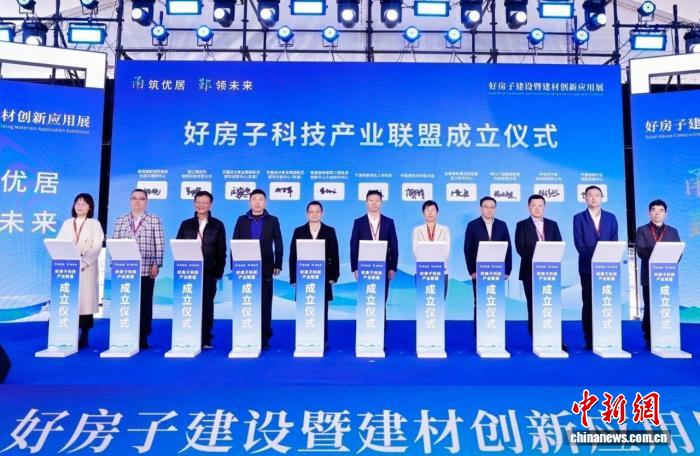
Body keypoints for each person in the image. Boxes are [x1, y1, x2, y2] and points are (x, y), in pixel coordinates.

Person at [113, 189, 164, 349]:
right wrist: (114, 263)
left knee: (145, 303)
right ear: (130, 201)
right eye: (134, 198)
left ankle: (143, 336)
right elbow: (114, 242)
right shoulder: (121, 220)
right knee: (126, 302)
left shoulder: (154, 220)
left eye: (141, 199)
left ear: (146, 202)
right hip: (124, 269)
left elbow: (159, 243)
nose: (137, 201)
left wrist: (157, 263)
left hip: (146, 268)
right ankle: (124, 333)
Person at [232, 189, 283, 350]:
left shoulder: (273, 220)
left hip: (266, 267)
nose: (257, 202)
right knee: (247, 302)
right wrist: (234, 265)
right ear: (250, 202)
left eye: (261, 199)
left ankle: (264, 337)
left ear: (265, 202)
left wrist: (278, 264)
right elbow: (235, 242)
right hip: (245, 268)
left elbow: (278, 243)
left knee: (265, 304)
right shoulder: (241, 220)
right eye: (254, 199)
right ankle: (245, 334)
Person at [176, 190, 227, 349]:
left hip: (209, 271)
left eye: (205, 202)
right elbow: (178, 246)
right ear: (194, 204)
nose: (201, 205)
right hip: (188, 271)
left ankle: (205, 338)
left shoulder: (218, 224)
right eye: (198, 202)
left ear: (210, 205)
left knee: (206, 305)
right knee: (188, 304)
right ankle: (187, 335)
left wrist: (218, 272)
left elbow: (222, 251)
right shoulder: (185, 224)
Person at [289, 201, 340, 348]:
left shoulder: (330, 231)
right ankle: (304, 339)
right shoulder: (299, 231)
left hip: (324, 277)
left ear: (322, 213)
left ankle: (322, 340)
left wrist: (334, 276)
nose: (314, 214)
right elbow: (293, 255)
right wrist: (293, 277)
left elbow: (335, 255)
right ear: (307, 214)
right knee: (305, 308)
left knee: (322, 309)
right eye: (311, 212)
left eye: (317, 211)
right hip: (304, 277)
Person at [56, 193, 104, 349]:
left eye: (84, 203)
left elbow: (97, 246)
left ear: (90, 207)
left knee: (85, 302)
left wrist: (85, 261)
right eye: (77, 203)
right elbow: (59, 243)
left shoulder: (94, 224)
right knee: (68, 299)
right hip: (68, 267)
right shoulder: (67, 223)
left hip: (86, 266)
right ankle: (65, 330)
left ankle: (84, 333)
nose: (80, 206)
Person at [573, 185, 618, 349]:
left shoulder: (611, 217)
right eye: (590, 195)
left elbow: (614, 241)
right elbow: (579, 243)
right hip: (587, 267)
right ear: (585, 197)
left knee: (605, 302)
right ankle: (589, 338)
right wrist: (594, 260)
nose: (593, 198)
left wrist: (605, 260)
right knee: (589, 303)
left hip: (606, 268)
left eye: (597, 195)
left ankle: (606, 335)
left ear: (602, 197)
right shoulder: (578, 218)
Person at [514, 194, 563, 337]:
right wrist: (538, 260)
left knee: (550, 305)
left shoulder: (553, 225)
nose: (537, 208)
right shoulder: (522, 225)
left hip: (550, 272)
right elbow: (520, 248)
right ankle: (536, 336)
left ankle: (555, 338)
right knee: (533, 304)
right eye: (534, 205)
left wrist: (548, 260)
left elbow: (559, 245)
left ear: (544, 207)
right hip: (530, 271)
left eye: (540, 205)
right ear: (528, 207)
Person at [635, 199, 680, 349]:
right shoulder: (642, 230)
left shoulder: (673, 231)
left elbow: (678, 252)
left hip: (667, 277)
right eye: (654, 210)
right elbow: (641, 251)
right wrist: (658, 259)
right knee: (650, 306)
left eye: (661, 210)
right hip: (649, 276)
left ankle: (667, 335)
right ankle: (648, 335)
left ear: (665, 213)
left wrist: (667, 261)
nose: (657, 213)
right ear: (649, 213)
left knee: (666, 306)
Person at [463, 196, 512, 331]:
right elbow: (467, 249)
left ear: (495, 209)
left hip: (497, 271)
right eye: (486, 207)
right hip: (479, 271)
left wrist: (507, 270)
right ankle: (479, 332)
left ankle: (495, 331)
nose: (489, 210)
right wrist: (472, 270)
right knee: (479, 301)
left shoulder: (502, 225)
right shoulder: (472, 225)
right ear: (481, 208)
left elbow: (508, 248)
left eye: (492, 207)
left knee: (495, 301)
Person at [350, 190, 399, 304]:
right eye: (371, 200)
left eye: (377, 200)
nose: (374, 203)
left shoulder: (389, 222)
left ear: (381, 203)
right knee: (367, 299)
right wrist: (355, 268)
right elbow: (353, 246)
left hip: (384, 266)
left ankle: (382, 317)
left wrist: (392, 267)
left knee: (382, 299)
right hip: (364, 266)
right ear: (366, 203)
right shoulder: (358, 222)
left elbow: (394, 245)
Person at [412, 200, 451, 298]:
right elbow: (416, 251)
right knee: (423, 300)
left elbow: (446, 251)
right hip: (423, 269)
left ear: (437, 212)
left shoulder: (444, 230)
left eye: (432, 210)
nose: (430, 213)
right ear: (423, 213)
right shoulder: (417, 230)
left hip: (441, 269)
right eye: (427, 210)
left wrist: (435, 263)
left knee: (440, 299)